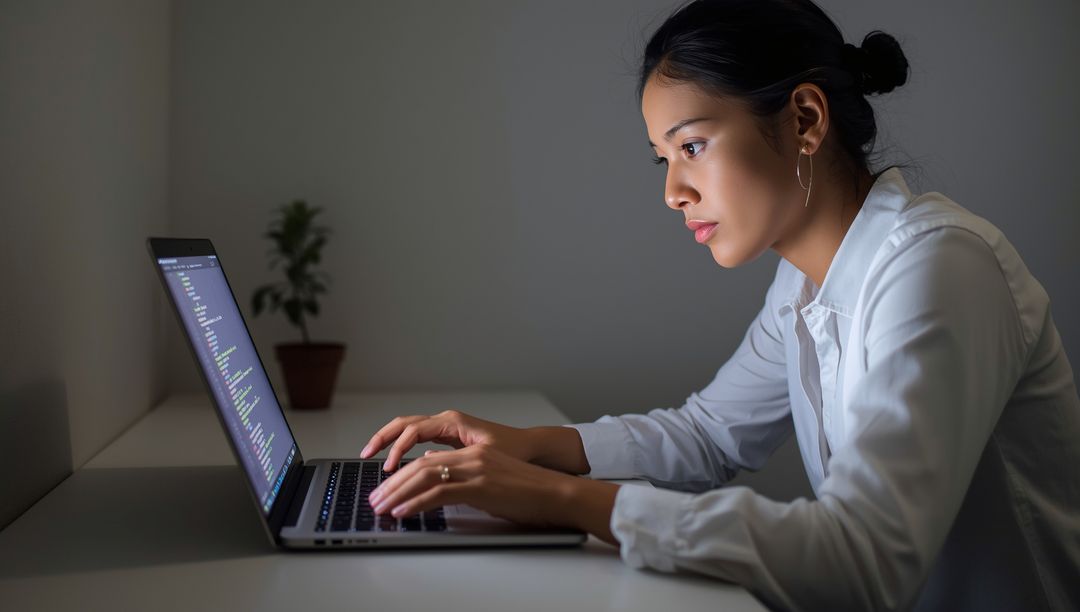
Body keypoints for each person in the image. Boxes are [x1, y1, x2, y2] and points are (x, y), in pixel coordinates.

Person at [358, 0, 1080, 609]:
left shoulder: (941, 266)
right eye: (663, 158)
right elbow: (709, 435)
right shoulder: (803, 281)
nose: (673, 191)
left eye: (693, 146)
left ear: (804, 119)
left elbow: (868, 558)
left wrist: (559, 500)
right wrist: (532, 447)